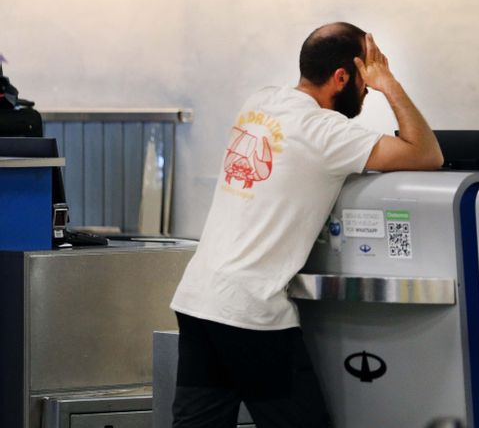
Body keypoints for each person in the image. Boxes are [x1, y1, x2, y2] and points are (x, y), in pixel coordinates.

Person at [169, 22, 443, 428]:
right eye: (364, 80)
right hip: (250, 310)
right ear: (342, 77)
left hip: (199, 300)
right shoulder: (326, 132)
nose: (366, 91)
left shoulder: (260, 102)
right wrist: (389, 83)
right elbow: (426, 154)